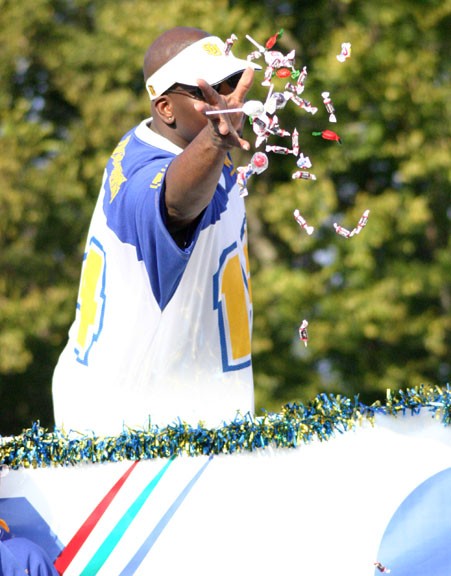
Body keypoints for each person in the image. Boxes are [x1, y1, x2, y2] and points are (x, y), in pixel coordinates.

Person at [52, 27, 261, 435]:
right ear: (165, 108)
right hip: (128, 434)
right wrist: (216, 139)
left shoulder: (194, 149)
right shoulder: (146, 170)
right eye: (207, 92)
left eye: (229, 83)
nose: (225, 100)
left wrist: (214, 141)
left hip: (188, 420)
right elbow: (174, 204)